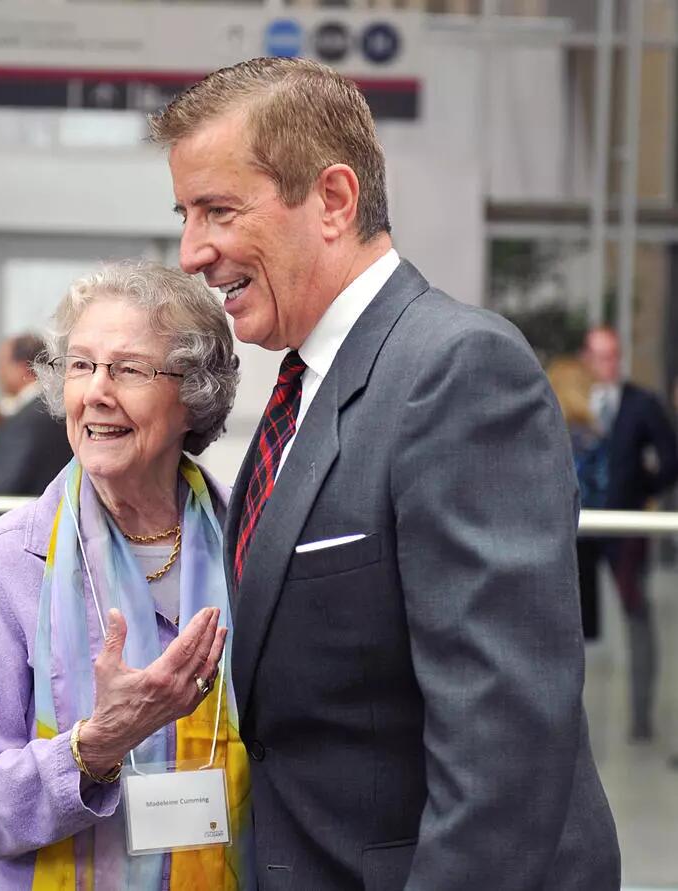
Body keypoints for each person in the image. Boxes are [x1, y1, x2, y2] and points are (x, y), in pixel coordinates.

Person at [152, 57, 619, 889]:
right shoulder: (308, 389)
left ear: (332, 200)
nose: (193, 251)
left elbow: (504, 750)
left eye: (219, 210)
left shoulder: (459, 371)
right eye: (186, 214)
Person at [0, 261, 251, 889]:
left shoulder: (254, 548)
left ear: (193, 392)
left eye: (129, 369)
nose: (96, 392)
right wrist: (95, 746)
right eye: (81, 365)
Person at [577, 326, 677, 740]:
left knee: (637, 616)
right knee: (567, 621)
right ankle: (563, 719)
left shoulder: (640, 404)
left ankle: (640, 716)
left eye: (614, 355)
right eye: (601, 355)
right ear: (587, 357)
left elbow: (672, 458)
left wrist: (643, 490)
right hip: (578, 528)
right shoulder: (569, 402)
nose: (609, 363)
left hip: (625, 527)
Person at [0, 332, 72, 496]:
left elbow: (0, 487)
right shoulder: (52, 409)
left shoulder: (25, 422)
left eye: (2, 365)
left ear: (23, 367)